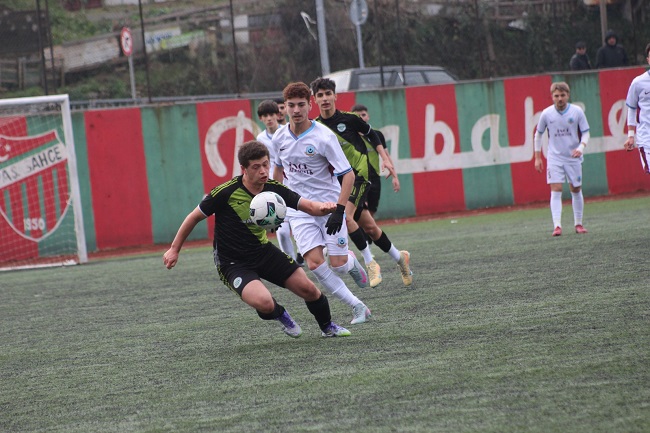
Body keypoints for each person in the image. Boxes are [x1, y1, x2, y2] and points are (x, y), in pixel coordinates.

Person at [163, 140, 351, 338]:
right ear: (244, 169)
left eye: (266, 164)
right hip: (232, 263)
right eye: (256, 167)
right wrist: (174, 249)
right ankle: (280, 314)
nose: (263, 171)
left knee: (309, 289)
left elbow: (310, 206)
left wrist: (327, 207)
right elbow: (193, 217)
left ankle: (328, 327)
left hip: (263, 252)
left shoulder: (273, 189)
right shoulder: (225, 192)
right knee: (265, 303)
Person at [272, 82, 372, 325]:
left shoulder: (324, 137)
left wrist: (340, 211)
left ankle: (350, 261)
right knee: (315, 264)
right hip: (299, 209)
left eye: (301, 105)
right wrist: (278, 204)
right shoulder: (279, 137)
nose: (296, 110)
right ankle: (358, 306)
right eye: (291, 105)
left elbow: (348, 175)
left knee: (338, 266)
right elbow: (278, 171)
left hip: (330, 208)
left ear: (310, 105)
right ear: (285, 107)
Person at [310, 77, 413, 288]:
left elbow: (372, 135)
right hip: (337, 182)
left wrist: (385, 158)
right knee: (370, 228)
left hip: (359, 175)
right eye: (320, 95)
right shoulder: (315, 127)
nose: (325, 98)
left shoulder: (350, 119)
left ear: (335, 96)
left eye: (328, 93)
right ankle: (400, 258)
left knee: (345, 216)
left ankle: (369, 262)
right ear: (315, 100)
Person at [534, 82, 591, 236]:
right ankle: (557, 226)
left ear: (568, 95)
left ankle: (578, 224)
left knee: (576, 189)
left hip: (573, 157)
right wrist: (538, 158)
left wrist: (581, 148)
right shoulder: (546, 114)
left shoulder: (577, 111)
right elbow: (538, 135)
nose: (559, 98)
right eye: (556, 96)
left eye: (562, 95)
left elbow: (586, 132)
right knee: (556, 189)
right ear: (552, 97)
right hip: (555, 157)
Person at [256, 100, 304, 266]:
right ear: (261, 118)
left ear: (278, 115)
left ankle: (303, 252)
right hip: (275, 189)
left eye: (271, 114)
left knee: (300, 225)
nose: (269, 118)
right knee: (282, 232)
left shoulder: (288, 132)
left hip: (294, 186)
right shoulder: (260, 138)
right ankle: (291, 263)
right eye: (265, 115)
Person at [350, 104, 400, 220]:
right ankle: (362, 230)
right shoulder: (350, 135)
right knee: (362, 208)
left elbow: (386, 156)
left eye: (363, 115)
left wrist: (395, 177)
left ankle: (367, 229)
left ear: (368, 116)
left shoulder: (377, 134)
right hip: (358, 177)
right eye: (357, 115)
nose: (361, 118)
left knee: (372, 209)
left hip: (374, 177)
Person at [623, 42, 650, 175]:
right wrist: (630, 136)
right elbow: (632, 108)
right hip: (646, 137)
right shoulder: (638, 83)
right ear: (648, 60)